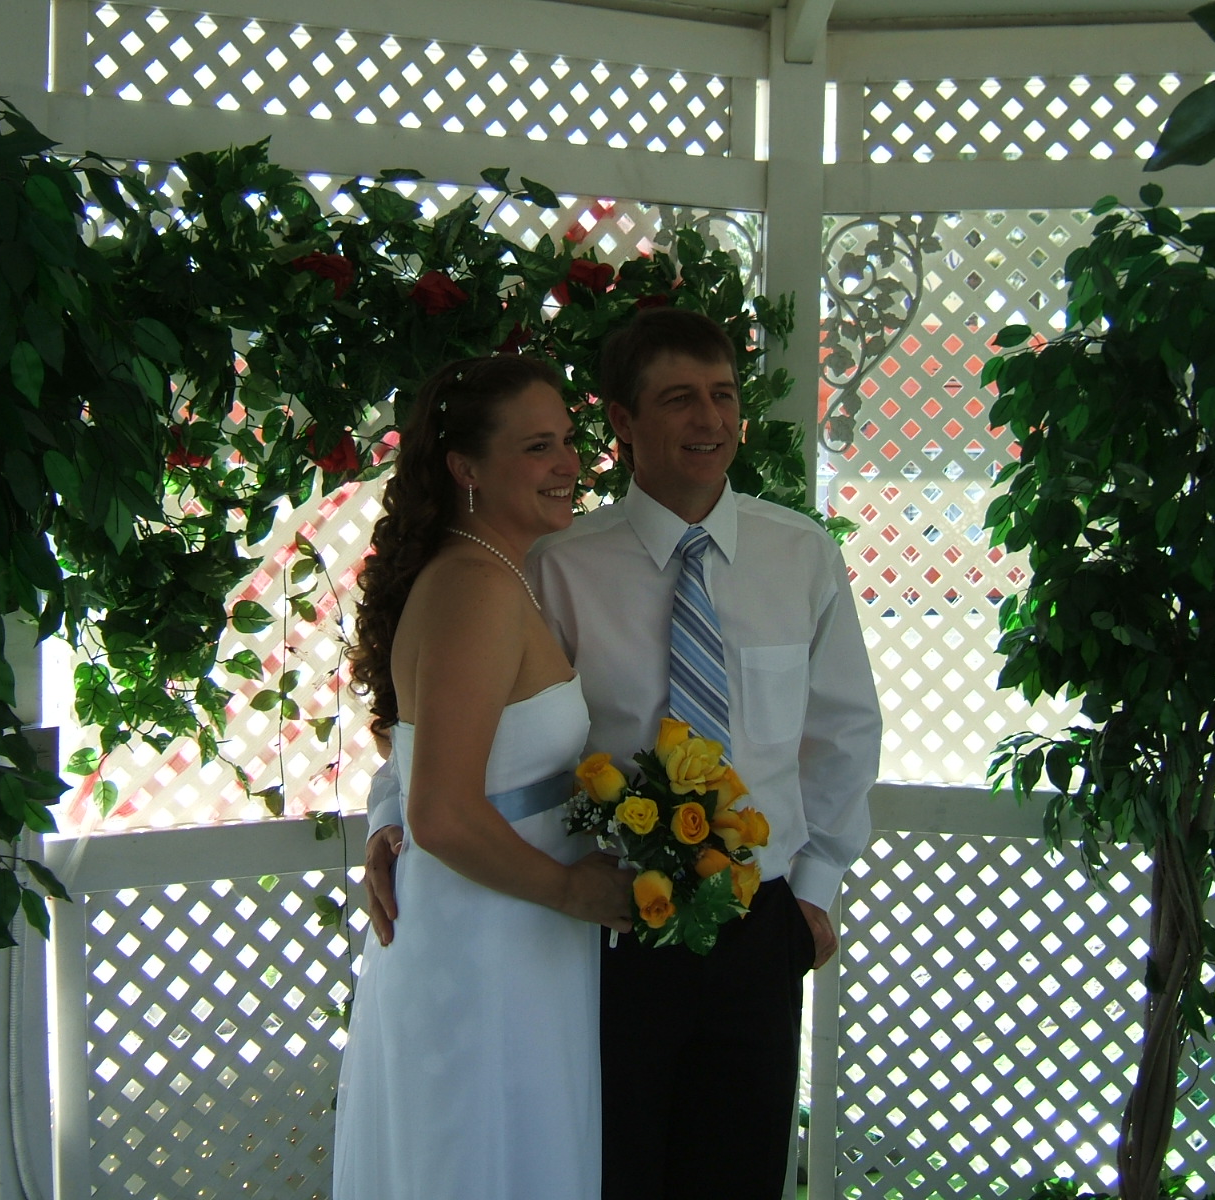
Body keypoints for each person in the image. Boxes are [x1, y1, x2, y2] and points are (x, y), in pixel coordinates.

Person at [366, 308, 883, 1199]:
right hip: (608, 927)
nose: (709, 419)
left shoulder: (802, 555)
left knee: (740, 1175)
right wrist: (390, 818)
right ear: (624, 421)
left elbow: (843, 732)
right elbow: (458, 721)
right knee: (610, 1171)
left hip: (758, 918)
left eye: (723, 395)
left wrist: (813, 894)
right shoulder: (550, 559)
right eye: (679, 398)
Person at [331, 354, 633, 1200]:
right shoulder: (476, 590)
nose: (568, 463)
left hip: (511, 932)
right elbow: (443, 813)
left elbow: (418, 761)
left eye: (567, 440)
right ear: (467, 468)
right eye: (538, 447)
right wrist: (572, 890)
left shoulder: (494, 574)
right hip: (488, 941)